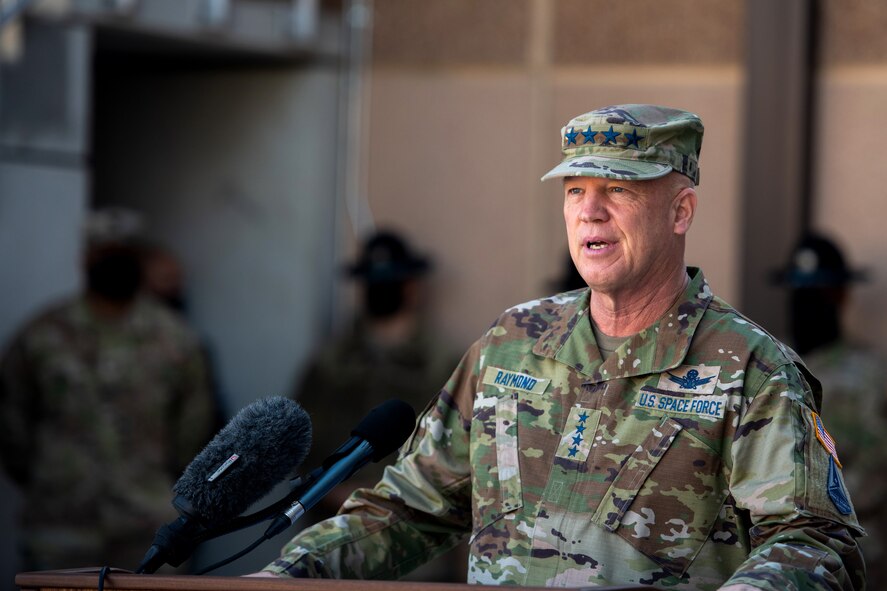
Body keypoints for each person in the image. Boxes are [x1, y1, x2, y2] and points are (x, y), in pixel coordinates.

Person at [256, 105, 865, 589]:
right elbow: (412, 507)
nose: (590, 213)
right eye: (575, 190)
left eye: (618, 190)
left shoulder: (750, 369)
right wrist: (285, 577)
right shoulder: (510, 344)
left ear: (681, 211)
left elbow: (815, 543)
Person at [0, 207, 217, 571]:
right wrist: (51, 475)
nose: (114, 259)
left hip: (148, 523)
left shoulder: (175, 338)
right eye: (104, 251)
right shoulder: (43, 335)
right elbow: (12, 421)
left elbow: (194, 426)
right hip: (61, 521)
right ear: (84, 258)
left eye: (124, 251)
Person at [292, 230, 459, 518]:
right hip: (332, 521)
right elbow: (299, 440)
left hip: (410, 521)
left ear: (412, 287)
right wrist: (332, 493)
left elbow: (456, 448)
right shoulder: (331, 361)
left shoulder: (442, 363)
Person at [775, 232, 887, 583]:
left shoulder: (871, 378)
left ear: (840, 294)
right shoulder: (770, 365)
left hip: (852, 557)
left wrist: (807, 511)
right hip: (772, 556)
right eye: (800, 291)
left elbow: (876, 471)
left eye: (818, 292)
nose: (806, 302)